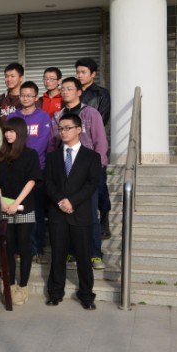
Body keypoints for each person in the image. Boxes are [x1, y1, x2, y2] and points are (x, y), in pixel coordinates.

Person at [48, 77, 108, 270]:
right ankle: (71, 251)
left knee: (90, 213)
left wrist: (99, 168)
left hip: (86, 170)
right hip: (64, 170)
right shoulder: (57, 116)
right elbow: (52, 144)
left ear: (79, 92)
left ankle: (95, 253)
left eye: (69, 88)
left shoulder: (90, 113)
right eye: (63, 89)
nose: (65, 92)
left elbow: (100, 142)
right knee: (66, 213)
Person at [45, 113, 101, 310]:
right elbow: (48, 182)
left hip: (81, 213)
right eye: (60, 129)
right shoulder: (52, 157)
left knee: (84, 257)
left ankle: (86, 295)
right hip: (58, 212)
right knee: (57, 255)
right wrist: (61, 201)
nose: (63, 132)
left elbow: (92, 183)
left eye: (67, 128)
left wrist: (73, 201)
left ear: (79, 129)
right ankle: (55, 293)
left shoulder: (92, 156)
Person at [0, 117, 42, 305]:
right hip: (5, 207)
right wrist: (2, 202)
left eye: (12, 131)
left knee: (24, 247)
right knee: (8, 247)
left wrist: (16, 203)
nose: (8, 134)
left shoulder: (30, 155)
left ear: (20, 133)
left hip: (24, 207)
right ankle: (10, 284)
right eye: (6, 131)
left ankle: (23, 286)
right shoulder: (0, 156)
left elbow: (32, 180)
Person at [7, 81, 52, 263]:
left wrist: (27, 159)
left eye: (29, 95)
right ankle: (19, 249)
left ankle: (37, 249)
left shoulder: (43, 117)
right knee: (17, 211)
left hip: (37, 169)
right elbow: (9, 140)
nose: (25, 98)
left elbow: (42, 143)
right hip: (15, 169)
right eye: (22, 95)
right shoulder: (13, 117)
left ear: (36, 97)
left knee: (37, 212)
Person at [76, 57, 112, 239]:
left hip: (93, 147)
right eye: (78, 72)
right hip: (74, 148)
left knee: (100, 185)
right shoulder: (73, 91)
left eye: (83, 72)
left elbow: (101, 120)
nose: (79, 75)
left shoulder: (101, 94)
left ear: (93, 74)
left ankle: (104, 215)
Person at [0, 62, 25, 127]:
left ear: (21, 78)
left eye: (12, 76)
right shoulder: (1, 99)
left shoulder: (27, 99)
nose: (9, 79)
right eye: (6, 76)